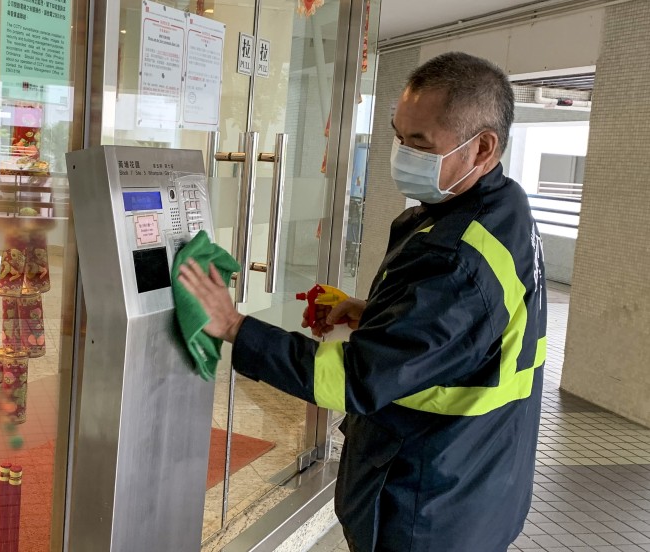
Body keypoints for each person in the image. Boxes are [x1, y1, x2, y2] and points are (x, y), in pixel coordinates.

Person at [179, 52, 547, 552]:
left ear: (482, 148)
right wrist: (378, 314)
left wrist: (236, 327)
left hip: (428, 503)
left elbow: (356, 379)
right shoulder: (505, 207)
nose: (402, 155)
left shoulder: (457, 257)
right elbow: (465, 334)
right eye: (397, 137)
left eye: (419, 145)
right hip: (478, 478)